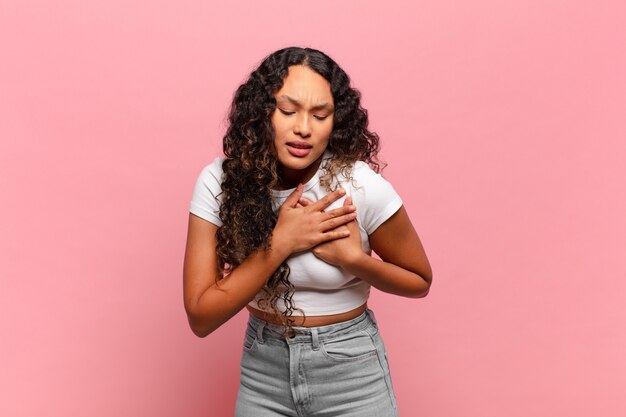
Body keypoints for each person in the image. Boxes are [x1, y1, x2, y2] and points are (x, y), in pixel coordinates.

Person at [183, 46, 432, 417]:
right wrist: (282, 242)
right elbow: (201, 316)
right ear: (262, 112)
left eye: (320, 115)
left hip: (351, 373)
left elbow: (419, 280)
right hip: (262, 370)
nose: (304, 128)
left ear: (336, 120)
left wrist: (354, 261)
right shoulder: (218, 182)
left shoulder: (358, 186)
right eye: (288, 111)